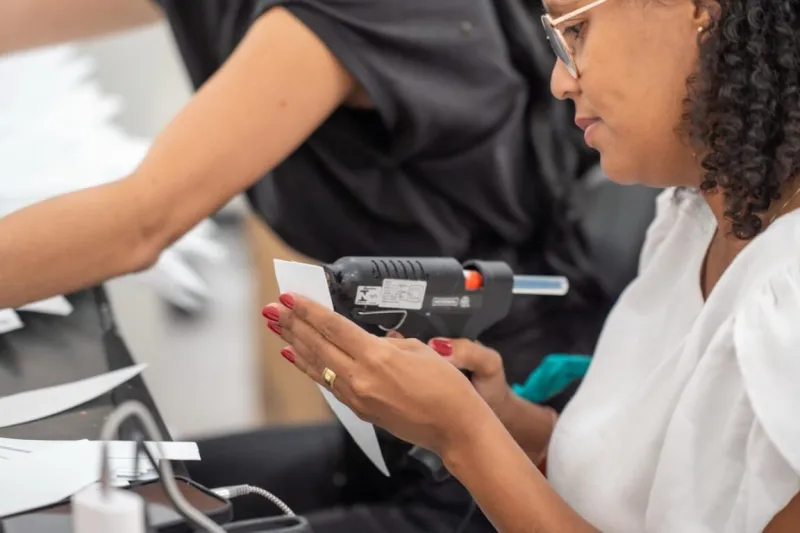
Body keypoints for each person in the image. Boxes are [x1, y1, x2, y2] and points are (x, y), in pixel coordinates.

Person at [0, 0, 655, 531]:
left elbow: (139, 222)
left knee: (72, 507)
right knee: (72, 487)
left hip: (493, 436)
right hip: (385, 417)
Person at [261, 0, 800, 531]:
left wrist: (464, 437)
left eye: (578, 31)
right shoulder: (690, 216)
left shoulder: (788, 307)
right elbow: (634, 490)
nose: (559, 82)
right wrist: (510, 423)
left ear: (702, 12)